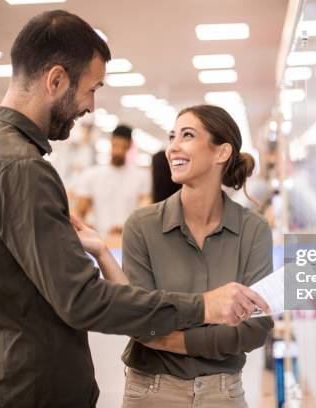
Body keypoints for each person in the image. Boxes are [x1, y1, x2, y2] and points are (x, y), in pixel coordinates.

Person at [0, 11, 269, 407]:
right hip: (31, 390)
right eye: (91, 88)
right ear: (56, 80)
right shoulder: (22, 167)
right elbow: (84, 300)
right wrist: (205, 305)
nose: (91, 106)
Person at [120, 105, 274, 407]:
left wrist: (169, 340)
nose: (173, 147)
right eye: (172, 136)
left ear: (221, 152)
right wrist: (213, 322)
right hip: (152, 392)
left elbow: (255, 329)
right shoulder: (141, 227)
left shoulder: (253, 229)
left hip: (224, 393)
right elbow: (142, 323)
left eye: (187, 135)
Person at [75, 124, 151, 236]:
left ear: (130, 146)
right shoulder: (91, 174)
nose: (119, 151)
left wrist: (126, 228)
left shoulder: (142, 176)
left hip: (130, 239)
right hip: (100, 239)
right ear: (111, 141)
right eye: (116, 145)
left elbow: (145, 211)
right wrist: (89, 228)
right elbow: (81, 212)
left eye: (123, 147)